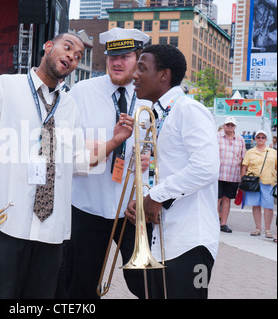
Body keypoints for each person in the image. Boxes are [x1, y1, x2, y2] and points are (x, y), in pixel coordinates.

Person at [0, 33, 134, 299]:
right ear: (48, 46)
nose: (72, 57)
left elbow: (79, 161)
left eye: (78, 56)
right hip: (6, 225)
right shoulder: (5, 87)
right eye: (67, 48)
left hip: (52, 232)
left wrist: (114, 141)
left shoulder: (70, 106)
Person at [126, 44, 220, 299]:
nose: (134, 75)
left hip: (191, 242)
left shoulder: (189, 109)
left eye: (142, 68)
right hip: (163, 240)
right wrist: (141, 201)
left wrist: (157, 196)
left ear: (164, 75)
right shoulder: (157, 115)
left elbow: (206, 168)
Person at [65, 28, 152, 299]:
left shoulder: (149, 97)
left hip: (131, 207)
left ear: (138, 59)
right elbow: (71, 150)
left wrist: (151, 161)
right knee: (80, 284)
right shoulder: (82, 92)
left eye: (125, 56)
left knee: (145, 282)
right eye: (112, 56)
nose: (116, 62)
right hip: (88, 205)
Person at [241, 130, 277, 239]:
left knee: (268, 206)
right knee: (255, 205)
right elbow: (244, 167)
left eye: (263, 137)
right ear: (255, 139)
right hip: (253, 182)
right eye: (258, 137)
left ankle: (268, 230)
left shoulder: (272, 152)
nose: (260, 139)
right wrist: (243, 180)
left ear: (266, 139)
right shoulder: (250, 152)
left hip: (268, 181)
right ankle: (257, 228)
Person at [217, 117, 246, 233]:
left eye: (232, 125)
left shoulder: (240, 140)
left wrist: (243, 176)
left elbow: (244, 158)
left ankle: (223, 224)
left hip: (233, 175)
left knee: (227, 199)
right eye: (227, 124)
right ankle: (214, 222)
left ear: (235, 127)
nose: (229, 126)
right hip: (218, 174)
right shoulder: (216, 137)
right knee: (216, 199)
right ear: (224, 126)